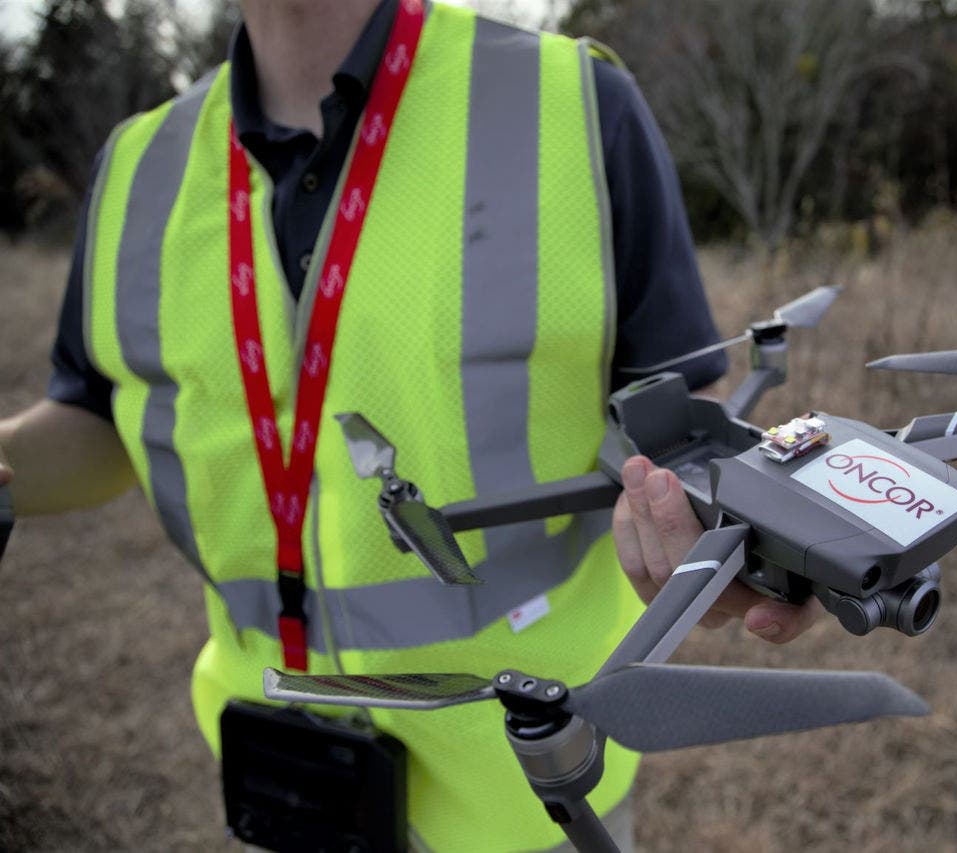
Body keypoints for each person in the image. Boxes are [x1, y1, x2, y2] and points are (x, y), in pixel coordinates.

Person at [0, 0, 819, 849]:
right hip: (282, 778)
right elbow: (98, 418)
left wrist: (742, 536)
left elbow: (680, 427)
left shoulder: (572, 101)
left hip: (530, 790)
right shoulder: (137, 168)